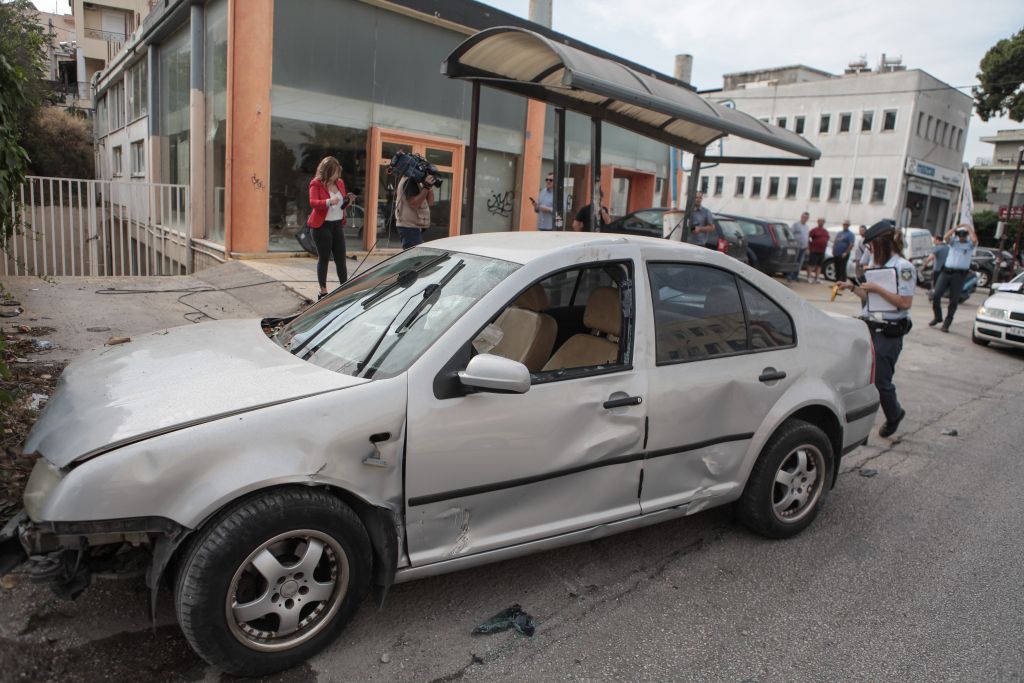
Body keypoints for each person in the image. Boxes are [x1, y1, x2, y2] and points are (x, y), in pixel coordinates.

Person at [837, 219, 915, 438]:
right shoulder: (876, 264)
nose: (869, 251)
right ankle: (861, 428)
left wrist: (878, 289)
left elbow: (904, 303)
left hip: (888, 333)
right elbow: (869, 298)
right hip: (868, 328)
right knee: (860, 379)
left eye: (871, 246)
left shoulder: (904, 268)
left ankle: (894, 414)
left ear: (882, 244)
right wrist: (852, 287)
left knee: (881, 382)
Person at [307, 156, 356, 300]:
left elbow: (340, 206)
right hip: (321, 226)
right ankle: (323, 291)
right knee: (324, 258)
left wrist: (348, 201)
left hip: (337, 225)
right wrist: (329, 201)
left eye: (338, 172)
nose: (337, 175)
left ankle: (344, 289)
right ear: (327, 171)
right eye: (334, 172)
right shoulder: (316, 184)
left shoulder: (339, 183)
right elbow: (313, 202)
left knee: (341, 258)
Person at [929, 223, 977, 332]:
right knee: (936, 295)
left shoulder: (969, 245)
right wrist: (955, 228)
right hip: (946, 272)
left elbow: (974, 240)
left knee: (954, 300)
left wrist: (968, 228)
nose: (961, 237)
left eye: (963, 235)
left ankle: (947, 323)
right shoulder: (953, 243)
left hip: (959, 275)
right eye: (959, 235)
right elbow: (946, 237)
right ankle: (938, 316)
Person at [395, 169, 436, 250]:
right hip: (409, 227)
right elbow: (414, 204)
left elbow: (430, 202)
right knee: (413, 259)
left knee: (416, 259)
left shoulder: (419, 183)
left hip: (415, 227)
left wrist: (429, 187)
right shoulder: (409, 181)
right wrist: (426, 187)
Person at [788, 212, 810, 282]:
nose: (805, 219)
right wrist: (792, 244)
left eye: (806, 218)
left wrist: (807, 247)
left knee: (800, 262)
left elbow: (807, 237)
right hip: (796, 247)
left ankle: (795, 275)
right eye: (804, 217)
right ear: (801, 217)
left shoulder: (806, 227)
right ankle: (790, 275)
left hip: (803, 248)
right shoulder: (796, 225)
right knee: (794, 261)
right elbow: (790, 234)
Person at [806, 218, 830, 283]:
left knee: (819, 265)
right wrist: (809, 247)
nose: (821, 223)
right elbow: (808, 238)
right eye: (820, 221)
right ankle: (809, 277)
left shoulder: (825, 231)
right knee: (811, 264)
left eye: (822, 221)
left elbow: (827, 239)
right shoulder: (814, 230)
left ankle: (817, 278)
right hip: (814, 250)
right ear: (818, 222)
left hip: (822, 251)